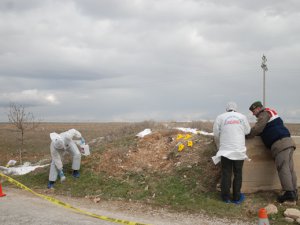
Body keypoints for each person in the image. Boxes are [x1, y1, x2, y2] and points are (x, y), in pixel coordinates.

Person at [246, 101, 297, 204]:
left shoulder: (264, 114)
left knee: (283, 168)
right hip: (288, 142)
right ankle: (294, 192)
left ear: (259, 108)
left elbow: (258, 128)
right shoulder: (271, 113)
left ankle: (288, 193)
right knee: (290, 169)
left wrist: (248, 135)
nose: (253, 113)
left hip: (280, 143)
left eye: (254, 110)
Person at [212, 102, 251, 204]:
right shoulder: (242, 117)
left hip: (225, 150)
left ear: (227, 109)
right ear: (236, 109)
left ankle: (226, 198)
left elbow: (216, 133)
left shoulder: (220, 117)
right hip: (239, 150)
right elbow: (247, 131)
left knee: (226, 173)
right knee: (238, 174)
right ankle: (237, 198)